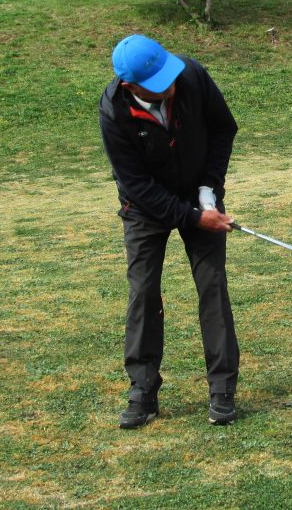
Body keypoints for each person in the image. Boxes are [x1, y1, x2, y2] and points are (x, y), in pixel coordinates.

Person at [99, 34, 240, 429]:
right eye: (158, 83)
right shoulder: (114, 112)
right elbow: (137, 186)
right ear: (129, 85)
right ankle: (142, 391)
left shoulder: (190, 75)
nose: (170, 87)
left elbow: (223, 128)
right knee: (143, 291)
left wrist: (208, 190)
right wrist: (192, 218)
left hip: (200, 193)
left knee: (212, 284)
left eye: (168, 75)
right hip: (145, 208)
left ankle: (222, 389)